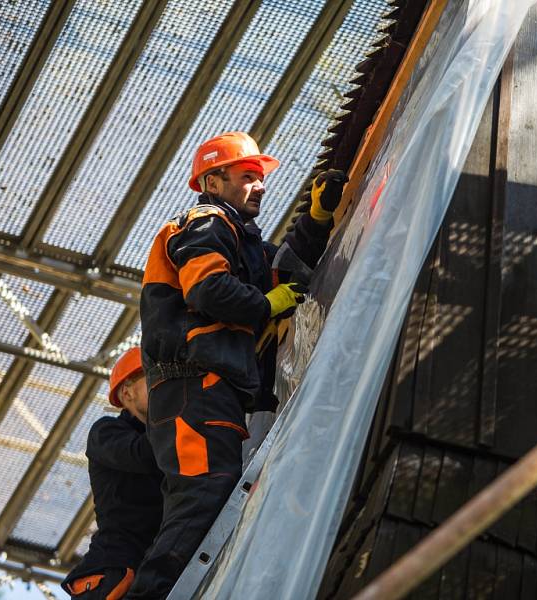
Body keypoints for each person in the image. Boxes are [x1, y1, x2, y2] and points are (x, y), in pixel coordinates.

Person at [126, 131, 346, 597]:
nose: (260, 185)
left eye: (261, 178)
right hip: (193, 388)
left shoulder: (239, 240)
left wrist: (317, 218)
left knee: (209, 498)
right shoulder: (206, 221)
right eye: (247, 176)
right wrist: (266, 306)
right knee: (204, 496)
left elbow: (281, 272)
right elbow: (209, 290)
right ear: (212, 181)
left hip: (209, 390)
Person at [61, 347, 163, 599]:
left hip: (152, 569)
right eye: (153, 379)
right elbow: (146, 454)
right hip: (113, 573)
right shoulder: (106, 432)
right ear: (127, 392)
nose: (164, 387)